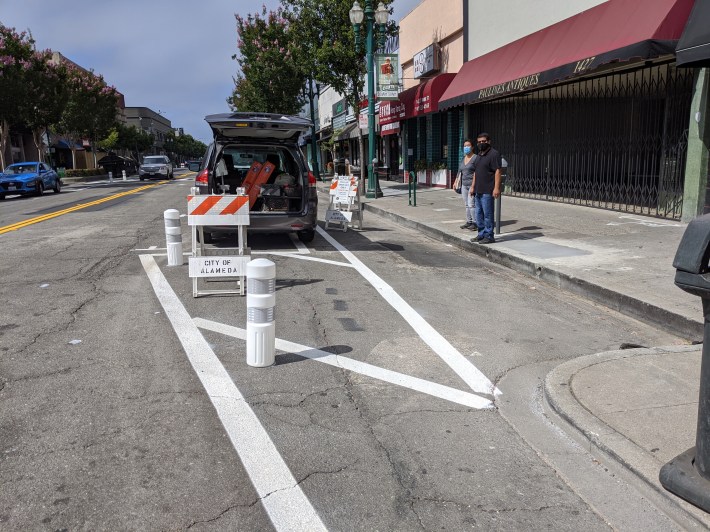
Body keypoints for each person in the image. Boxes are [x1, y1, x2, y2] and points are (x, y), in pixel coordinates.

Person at [469, 132, 502, 244]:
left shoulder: (494, 154)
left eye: (483, 141)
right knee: (479, 214)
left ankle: (489, 235)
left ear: (489, 142)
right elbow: (476, 173)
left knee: (488, 214)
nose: (481, 144)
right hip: (478, 190)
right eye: (479, 142)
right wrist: (472, 187)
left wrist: (496, 188)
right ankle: (481, 234)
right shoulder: (479, 155)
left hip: (488, 190)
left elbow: (498, 171)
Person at [455, 139, 477, 230]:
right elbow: (460, 171)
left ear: (472, 147)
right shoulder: (463, 158)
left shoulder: (475, 158)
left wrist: (473, 186)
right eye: (464, 146)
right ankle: (469, 222)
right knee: (466, 204)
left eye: (468, 146)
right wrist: (455, 181)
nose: (466, 148)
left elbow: (477, 172)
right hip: (464, 185)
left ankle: (476, 223)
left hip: (472, 185)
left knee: (471, 204)